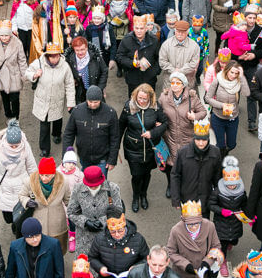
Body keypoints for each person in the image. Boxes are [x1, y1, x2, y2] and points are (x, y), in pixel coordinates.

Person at [166, 201, 224, 278]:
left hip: (203, 276)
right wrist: (186, 265)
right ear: (183, 220)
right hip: (184, 275)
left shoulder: (209, 226)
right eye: (190, 224)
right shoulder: (176, 230)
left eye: (196, 223)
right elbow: (171, 252)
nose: (193, 226)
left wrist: (206, 262)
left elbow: (216, 246)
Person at [88, 207, 149, 278]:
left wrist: (136, 267)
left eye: (120, 230)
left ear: (125, 226)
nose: (117, 234)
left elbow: (146, 258)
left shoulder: (138, 239)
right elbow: (92, 257)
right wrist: (100, 268)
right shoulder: (100, 239)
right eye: (113, 232)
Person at [119, 83, 168, 212]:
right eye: (139, 98)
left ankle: (143, 195)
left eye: (144, 99)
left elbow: (165, 123)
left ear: (150, 98)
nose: (141, 101)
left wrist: (153, 133)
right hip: (133, 149)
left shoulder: (155, 107)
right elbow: (120, 127)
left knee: (147, 174)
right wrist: (115, 150)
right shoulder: (128, 107)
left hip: (150, 150)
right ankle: (135, 197)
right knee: (136, 175)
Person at [158, 71, 207, 199]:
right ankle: (171, 185)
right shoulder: (163, 98)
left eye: (177, 83)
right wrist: (157, 122)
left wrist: (194, 116)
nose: (174, 85)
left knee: (186, 164)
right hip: (170, 136)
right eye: (172, 82)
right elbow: (156, 112)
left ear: (183, 85)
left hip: (187, 137)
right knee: (170, 165)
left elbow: (203, 111)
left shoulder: (192, 98)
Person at [0, 120, 37, 232]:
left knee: (20, 216)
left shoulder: (25, 146)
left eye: (16, 146)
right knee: (8, 218)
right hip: (5, 188)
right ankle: (13, 223)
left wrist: (36, 186)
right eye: (11, 145)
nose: (14, 148)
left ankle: (18, 226)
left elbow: (32, 167)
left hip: (21, 187)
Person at [26, 42, 76, 158]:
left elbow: (69, 84)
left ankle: (57, 134)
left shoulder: (65, 66)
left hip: (57, 100)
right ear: (47, 55)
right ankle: (44, 149)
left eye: (57, 55)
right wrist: (34, 75)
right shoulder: (39, 63)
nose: (54, 58)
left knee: (57, 119)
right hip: (43, 101)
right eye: (52, 56)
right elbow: (27, 72)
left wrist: (70, 103)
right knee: (44, 126)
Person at [170, 119, 222, 217]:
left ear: (208, 139)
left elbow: (218, 177)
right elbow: (175, 175)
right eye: (198, 140)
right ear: (194, 138)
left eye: (204, 140)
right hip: (187, 200)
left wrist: (217, 197)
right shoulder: (182, 153)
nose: (201, 143)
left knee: (204, 226)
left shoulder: (215, 153)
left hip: (206, 199)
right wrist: (176, 199)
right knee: (188, 227)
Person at [63, 85, 120, 174]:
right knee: (86, 184)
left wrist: (112, 160)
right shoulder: (77, 111)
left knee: (100, 186)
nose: (92, 104)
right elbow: (68, 134)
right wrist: (66, 157)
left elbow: (115, 138)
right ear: (86, 99)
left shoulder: (110, 113)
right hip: (84, 157)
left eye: (96, 102)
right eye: (90, 101)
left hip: (102, 159)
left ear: (101, 99)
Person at [67, 166, 123, 255]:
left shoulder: (112, 188)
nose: (93, 188)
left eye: (96, 185)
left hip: (107, 234)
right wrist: (85, 222)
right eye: (90, 186)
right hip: (84, 238)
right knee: (84, 265)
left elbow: (118, 210)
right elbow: (71, 212)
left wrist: (102, 221)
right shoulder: (78, 188)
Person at [0, 20, 28, 121]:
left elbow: (22, 60)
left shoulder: (17, 43)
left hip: (14, 75)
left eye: (6, 35)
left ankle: (15, 119)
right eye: (2, 35)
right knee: (4, 98)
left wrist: (25, 75)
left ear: (10, 35)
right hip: (1, 76)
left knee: (15, 99)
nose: (4, 38)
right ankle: (8, 115)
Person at [116, 14, 161, 95]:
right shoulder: (126, 40)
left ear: (146, 29)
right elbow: (119, 57)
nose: (139, 31)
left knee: (150, 102)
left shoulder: (154, 40)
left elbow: (159, 58)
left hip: (149, 78)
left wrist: (155, 72)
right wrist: (132, 63)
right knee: (133, 102)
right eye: (136, 28)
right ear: (133, 28)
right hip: (133, 78)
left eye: (141, 28)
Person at [64, 37, 109, 105]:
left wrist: (100, 88)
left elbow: (104, 71)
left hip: (95, 90)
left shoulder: (96, 57)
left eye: (82, 49)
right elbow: (66, 75)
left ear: (87, 48)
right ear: (74, 49)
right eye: (77, 50)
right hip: (79, 94)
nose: (80, 52)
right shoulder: (69, 60)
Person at [159, 20, 201, 90]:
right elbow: (162, 62)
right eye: (178, 31)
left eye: (183, 32)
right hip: (170, 83)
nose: (180, 34)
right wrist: (173, 70)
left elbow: (194, 63)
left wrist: (180, 71)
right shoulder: (166, 44)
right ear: (174, 31)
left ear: (187, 32)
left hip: (187, 83)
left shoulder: (194, 46)